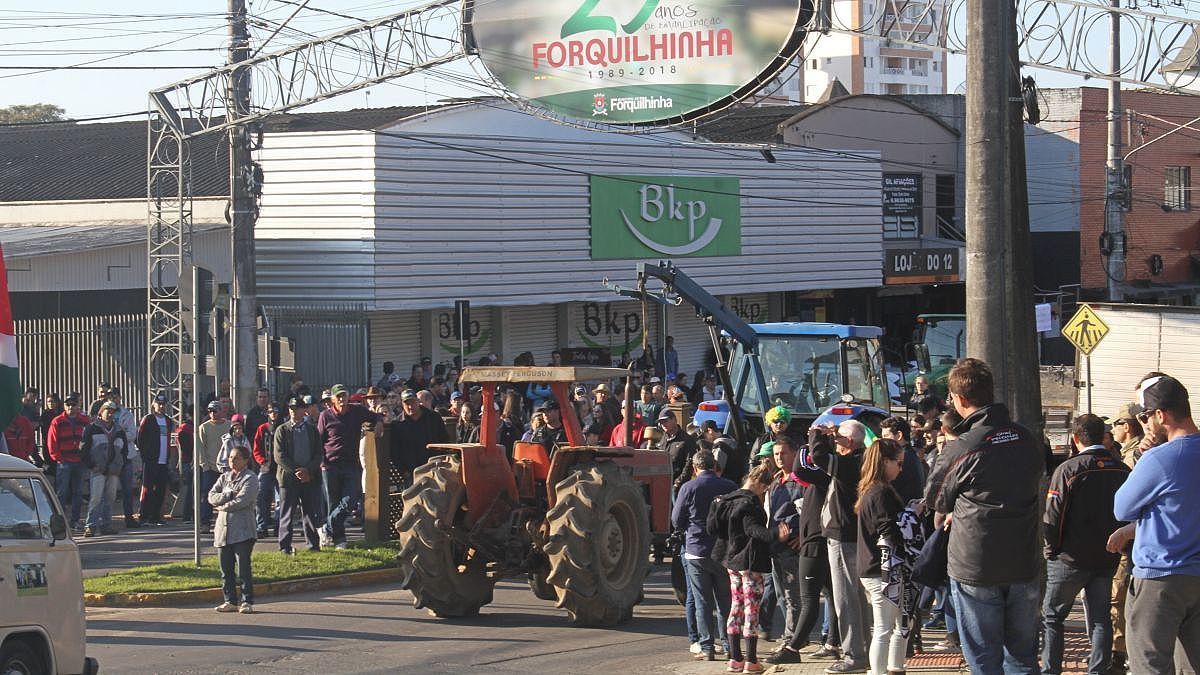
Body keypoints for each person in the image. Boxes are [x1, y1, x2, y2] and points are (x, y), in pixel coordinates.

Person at [924, 358, 1043, 674]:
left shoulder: (962, 447)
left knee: (984, 660)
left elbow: (935, 498)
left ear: (960, 399)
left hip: (976, 563)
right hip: (1023, 558)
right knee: (1023, 657)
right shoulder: (1027, 438)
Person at [1110, 374, 1200, 674]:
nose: (1144, 424)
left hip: (1159, 576)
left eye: (1145, 416)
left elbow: (1122, 507)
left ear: (1161, 415)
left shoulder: (1159, 458)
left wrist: (1142, 456)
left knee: (1149, 664)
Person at [1040, 413, 1130, 675]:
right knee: (1101, 617)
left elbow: (1054, 515)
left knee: (1053, 616)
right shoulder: (1122, 470)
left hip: (1069, 557)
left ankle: (1051, 670)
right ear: (1104, 436)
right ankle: (1097, 669)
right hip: (1107, 556)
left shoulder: (1068, 469)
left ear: (1075, 438)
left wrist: (1051, 549)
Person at [770, 427, 843, 665]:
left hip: (814, 543)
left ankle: (793, 647)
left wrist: (810, 439)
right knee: (832, 595)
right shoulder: (826, 474)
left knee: (809, 599)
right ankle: (832, 643)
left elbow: (800, 467)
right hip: (819, 540)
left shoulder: (825, 473)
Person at [711, 461, 791, 674]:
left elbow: (713, 528)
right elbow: (754, 530)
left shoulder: (726, 500)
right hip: (749, 562)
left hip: (731, 561)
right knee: (751, 609)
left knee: (736, 606)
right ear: (762, 486)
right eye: (765, 490)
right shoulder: (750, 504)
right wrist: (776, 533)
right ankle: (751, 660)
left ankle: (735, 658)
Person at [810, 419, 871, 674]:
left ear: (850, 442)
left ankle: (854, 656)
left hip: (844, 538)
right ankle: (864, 650)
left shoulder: (851, 463)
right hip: (850, 535)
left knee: (846, 598)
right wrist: (832, 436)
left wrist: (817, 434)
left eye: (839, 439)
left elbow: (818, 458)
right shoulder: (861, 460)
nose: (835, 443)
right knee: (857, 597)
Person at [672, 448, 737, 661]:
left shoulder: (688, 487)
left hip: (696, 550)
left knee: (702, 602)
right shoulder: (729, 486)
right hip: (723, 551)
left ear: (694, 467)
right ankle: (729, 645)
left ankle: (707, 647)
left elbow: (676, 519)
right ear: (715, 465)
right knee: (725, 602)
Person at [855, 438, 910, 675]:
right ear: (885, 462)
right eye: (899, 463)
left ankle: (895, 668)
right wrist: (911, 518)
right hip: (881, 569)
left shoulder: (873, 489)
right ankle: (881, 671)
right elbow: (888, 530)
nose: (901, 469)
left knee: (901, 623)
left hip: (879, 567)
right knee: (884, 627)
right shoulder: (880, 492)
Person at [317, 383, 381, 550]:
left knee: (351, 499)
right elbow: (319, 440)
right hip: (330, 465)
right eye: (338, 396)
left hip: (351, 464)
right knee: (333, 503)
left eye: (344, 395)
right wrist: (322, 463)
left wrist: (379, 422)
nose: (341, 399)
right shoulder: (325, 416)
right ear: (332, 399)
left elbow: (375, 416)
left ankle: (326, 528)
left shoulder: (356, 410)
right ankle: (339, 539)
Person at [1105, 402, 1143, 672]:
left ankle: (1120, 653)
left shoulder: (1135, 457)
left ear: (1127, 427)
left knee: (1118, 597)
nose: (1113, 429)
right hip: (1132, 539)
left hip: (1129, 540)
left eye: (1116, 425)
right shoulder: (1130, 453)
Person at [210, 445, 259, 614]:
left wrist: (222, 507)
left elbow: (243, 500)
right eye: (230, 457)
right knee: (226, 569)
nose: (232, 460)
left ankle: (246, 601)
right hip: (223, 531)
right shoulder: (224, 477)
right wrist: (228, 495)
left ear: (245, 460)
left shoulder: (250, 478)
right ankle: (229, 600)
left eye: (236, 458)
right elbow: (211, 496)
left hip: (242, 530)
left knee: (243, 568)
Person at [274, 395, 325, 554]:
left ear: (304, 410)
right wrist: (297, 470)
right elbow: (279, 456)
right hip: (288, 479)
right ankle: (284, 546)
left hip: (309, 478)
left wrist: (308, 470)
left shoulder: (312, 430)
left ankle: (313, 544)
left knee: (310, 513)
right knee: (287, 513)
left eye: (297, 409)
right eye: (291, 409)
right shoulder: (282, 430)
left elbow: (318, 454)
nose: (294, 412)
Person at [81, 401, 128, 537]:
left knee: (110, 497)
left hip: (113, 470)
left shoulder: (119, 430)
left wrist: (120, 465)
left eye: (113, 412)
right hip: (98, 469)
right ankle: (90, 526)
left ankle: (106, 525)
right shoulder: (91, 428)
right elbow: (83, 449)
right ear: (101, 412)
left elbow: (124, 451)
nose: (110, 414)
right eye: (108, 411)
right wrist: (91, 465)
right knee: (96, 498)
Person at [46, 393, 89, 528]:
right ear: (64, 406)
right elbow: (51, 442)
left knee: (78, 492)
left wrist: (86, 457)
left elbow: (90, 439)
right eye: (68, 404)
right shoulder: (57, 421)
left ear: (78, 406)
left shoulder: (85, 420)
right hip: (64, 462)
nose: (70, 407)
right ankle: (61, 521)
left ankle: (75, 520)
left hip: (80, 461)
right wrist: (59, 459)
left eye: (73, 404)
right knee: (62, 492)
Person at [391, 388, 450, 485]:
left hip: (434, 469)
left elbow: (445, 441)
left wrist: (442, 464)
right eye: (407, 404)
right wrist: (404, 472)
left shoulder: (434, 418)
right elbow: (395, 451)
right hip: (411, 474)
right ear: (402, 405)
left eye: (413, 402)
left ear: (418, 401)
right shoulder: (397, 424)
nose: (410, 406)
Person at [136, 393, 176, 527]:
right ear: (154, 405)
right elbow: (140, 438)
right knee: (147, 488)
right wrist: (145, 455)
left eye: (163, 404)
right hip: (151, 460)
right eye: (159, 404)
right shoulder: (148, 419)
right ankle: (144, 516)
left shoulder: (168, 421)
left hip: (163, 461)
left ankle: (156, 516)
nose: (161, 406)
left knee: (160, 489)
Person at [252, 402, 285, 539]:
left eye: (276, 412)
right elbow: (256, 449)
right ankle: (262, 526)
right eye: (271, 412)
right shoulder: (262, 428)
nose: (273, 415)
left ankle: (279, 526)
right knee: (261, 498)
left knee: (281, 499)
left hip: (281, 469)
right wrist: (262, 461)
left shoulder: (284, 428)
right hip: (266, 468)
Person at [197, 400, 231, 532]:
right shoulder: (203, 427)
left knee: (228, 495)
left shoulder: (229, 425)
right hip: (210, 468)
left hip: (227, 468)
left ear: (221, 411)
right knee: (207, 495)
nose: (212, 413)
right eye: (210, 411)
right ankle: (205, 522)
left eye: (215, 410)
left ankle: (227, 521)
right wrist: (205, 466)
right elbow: (200, 448)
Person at [878, 416, 926, 502]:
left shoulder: (902, 458)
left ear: (899, 435)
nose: (883, 441)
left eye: (886, 436)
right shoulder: (910, 455)